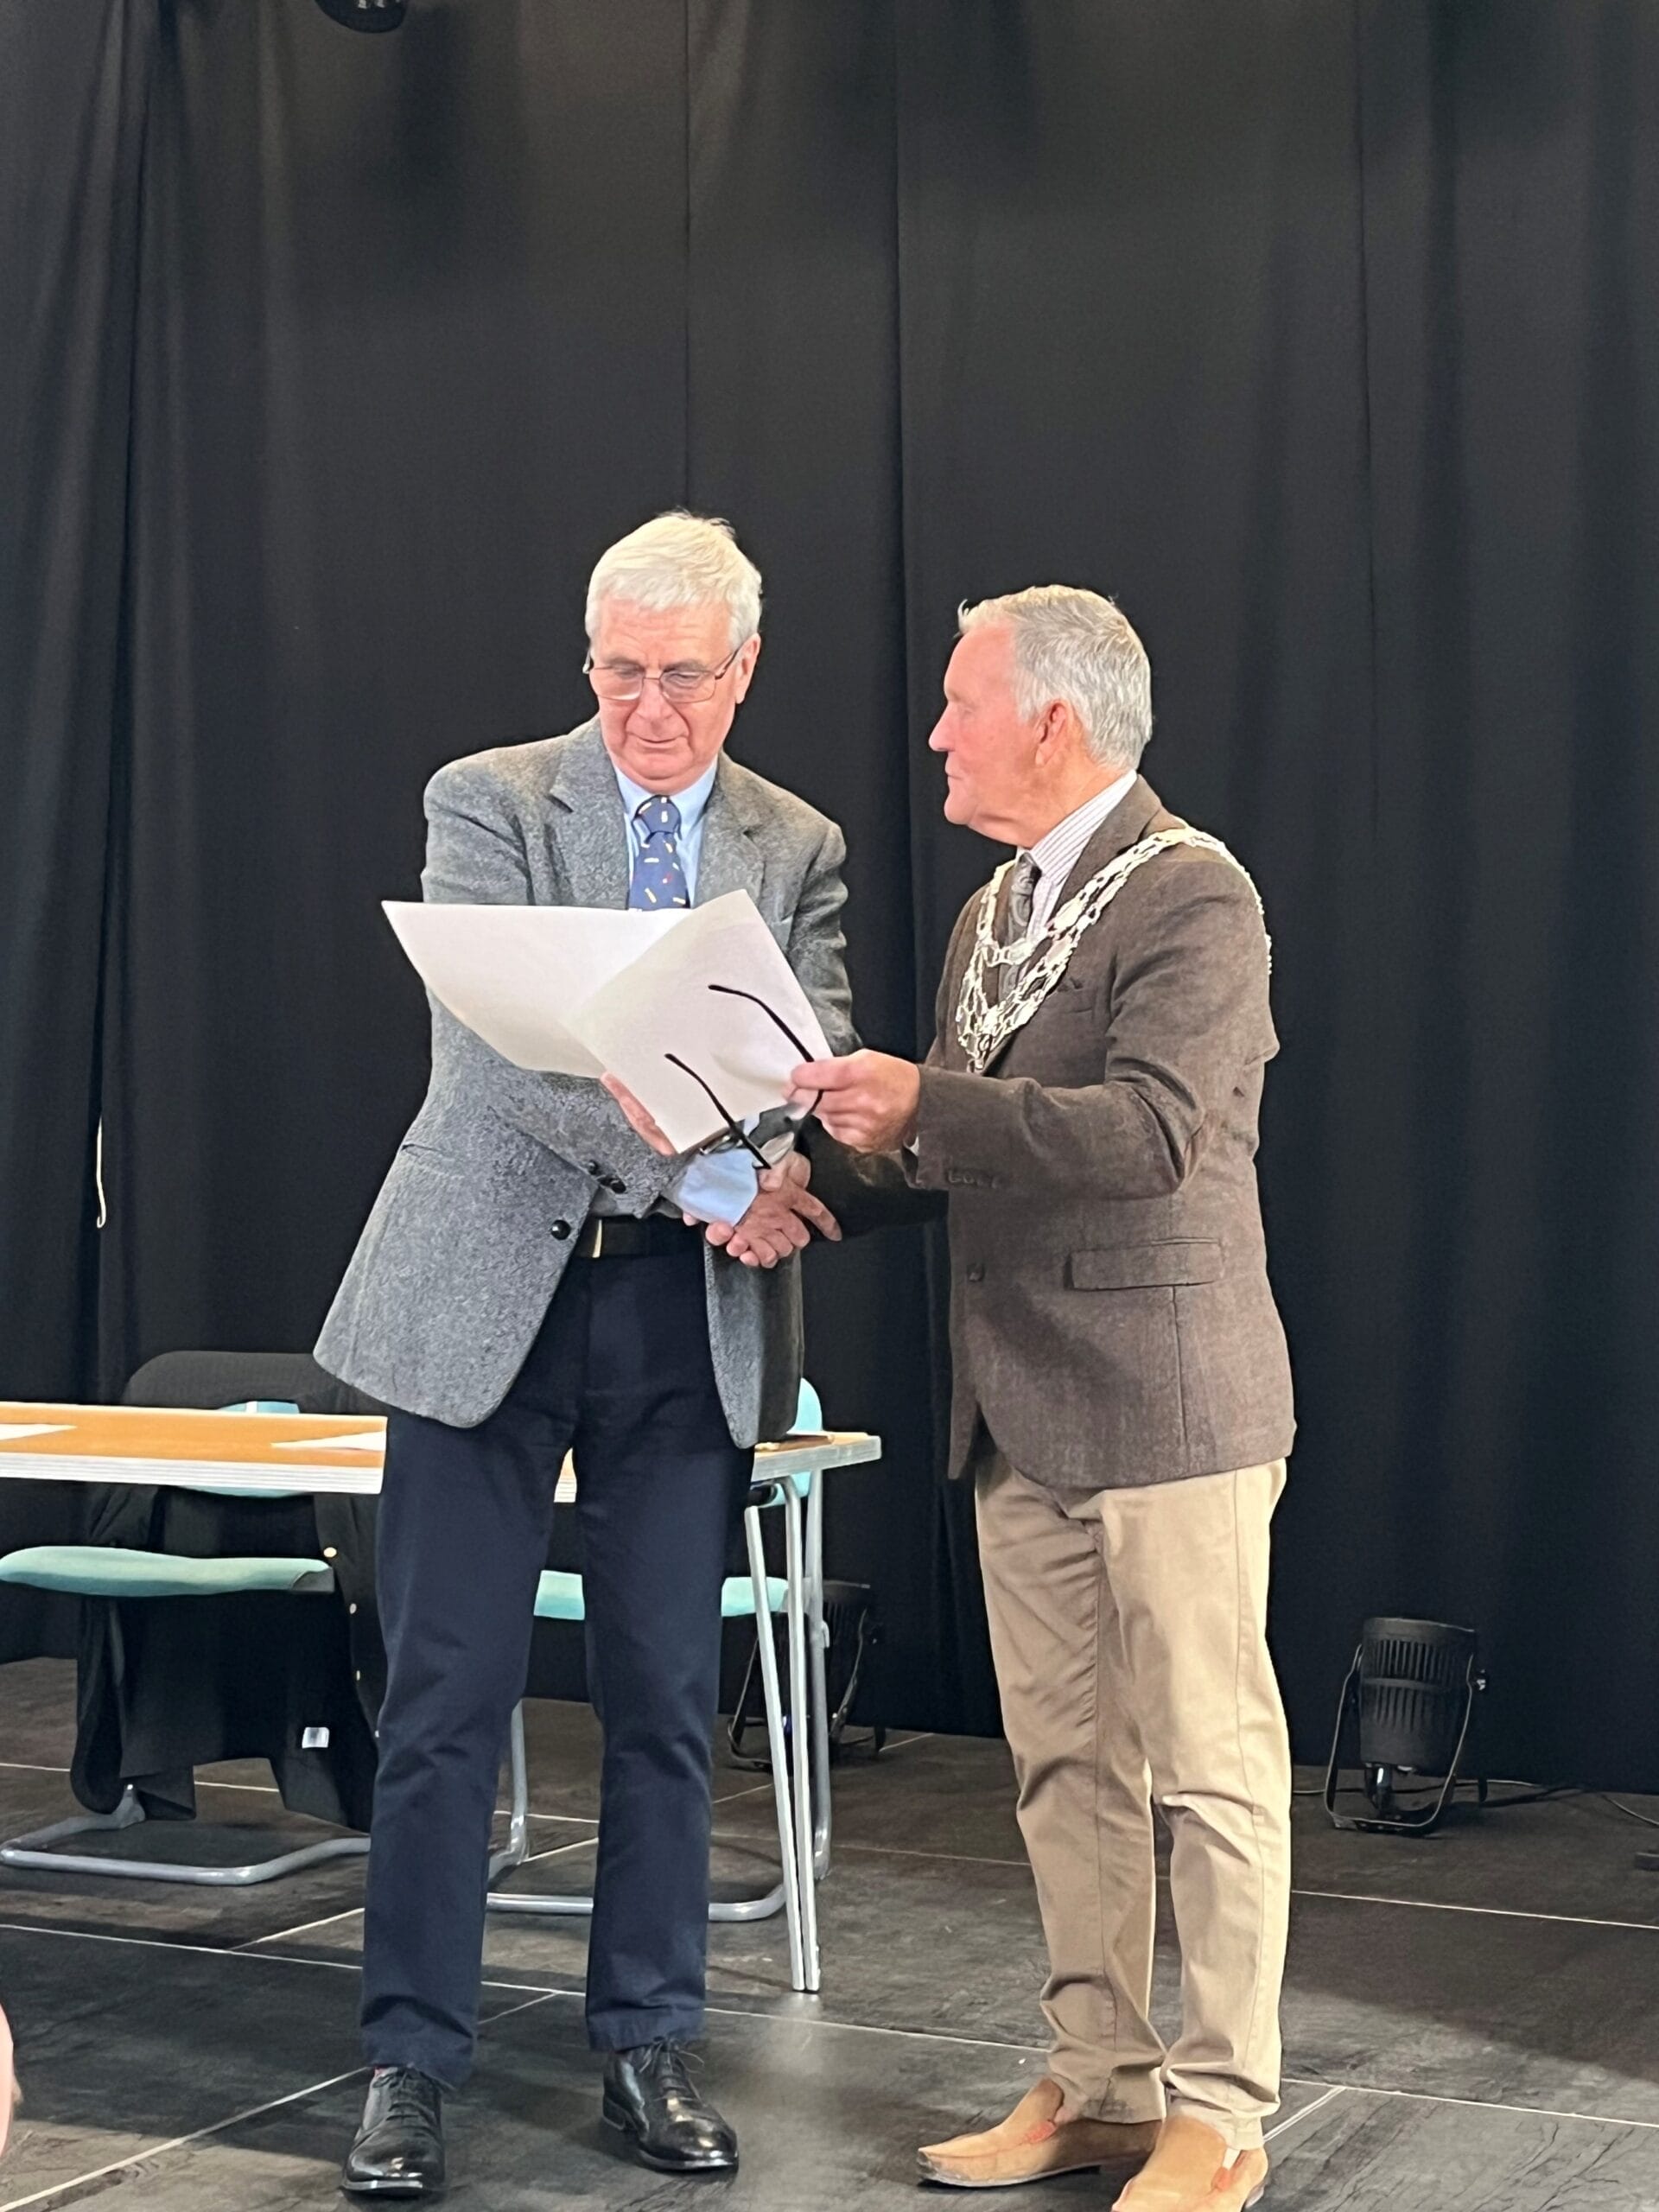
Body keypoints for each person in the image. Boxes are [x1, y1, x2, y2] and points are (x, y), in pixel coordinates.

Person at [315, 512, 849, 2198]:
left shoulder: (797, 841)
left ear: (743, 670)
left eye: (682, 676)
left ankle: (647, 2040)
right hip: (491, 1291)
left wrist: (784, 1173)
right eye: (618, 673)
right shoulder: (488, 799)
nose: (646, 710)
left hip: (680, 1314)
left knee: (669, 1701)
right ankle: (409, 2058)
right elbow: (494, 1072)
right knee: (443, 1697)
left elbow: (807, 1063)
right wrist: (710, 1170)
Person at [793, 589, 1295, 2212]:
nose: (934, 731)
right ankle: (1100, 2086)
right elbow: (959, 1151)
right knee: (1065, 1768)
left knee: (1209, 1765)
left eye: (959, 702)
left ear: (1053, 723)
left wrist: (924, 1096)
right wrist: (816, 1188)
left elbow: (1149, 1137)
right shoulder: (997, 912)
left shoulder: (1197, 898)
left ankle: (1221, 2112)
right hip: (1022, 1408)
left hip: (1170, 1407)